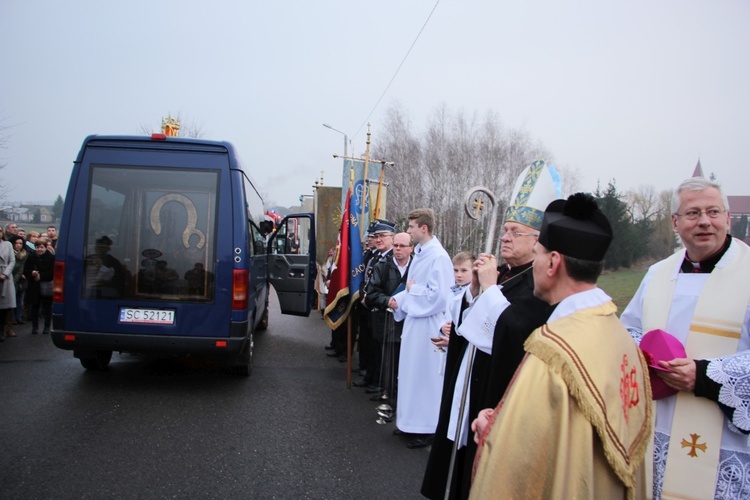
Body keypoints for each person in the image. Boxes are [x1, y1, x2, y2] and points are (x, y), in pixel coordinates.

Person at [470, 193, 652, 499]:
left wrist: (495, 432)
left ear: (553, 262)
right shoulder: (619, 334)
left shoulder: (553, 350)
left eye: (539, 253)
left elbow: (518, 458)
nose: (535, 264)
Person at [422, 159, 558, 500]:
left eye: (515, 232)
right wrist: (475, 291)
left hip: (495, 387)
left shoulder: (537, 283)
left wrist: (490, 288)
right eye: (505, 230)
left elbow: (516, 333)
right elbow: (470, 319)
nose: (506, 237)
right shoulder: (505, 272)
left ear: (538, 241)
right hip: (469, 377)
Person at [620, 177, 750, 499]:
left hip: (726, 441)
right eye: (692, 213)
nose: (704, 221)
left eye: (713, 212)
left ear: (728, 218)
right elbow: (628, 331)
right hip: (659, 429)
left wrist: (703, 376)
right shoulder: (657, 274)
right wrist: (647, 356)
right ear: (675, 223)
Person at [389, 208, 454, 449]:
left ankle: (426, 428)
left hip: (429, 325)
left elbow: (440, 296)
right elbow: (410, 288)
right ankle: (408, 423)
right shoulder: (420, 253)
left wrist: (411, 292)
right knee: (410, 375)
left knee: (425, 378)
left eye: (411, 227)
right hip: (415, 323)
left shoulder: (439, 257)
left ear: (423, 228)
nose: (408, 231)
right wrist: (400, 301)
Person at [364, 231, 413, 408]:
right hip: (387, 320)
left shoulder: (418, 266)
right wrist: (388, 301)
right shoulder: (382, 266)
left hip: (411, 321)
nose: (398, 249)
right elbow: (372, 293)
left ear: (411, 248)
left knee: (407, 360)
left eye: (402, 246)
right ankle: (390, 396)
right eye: (396, 246)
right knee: (390, 361)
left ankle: (404, 396)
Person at [356, 220, 395, 391]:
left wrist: (371, 298)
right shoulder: (375, 256)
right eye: (376, 237)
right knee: (370, 343)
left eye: (383, 236)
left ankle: (379, 382)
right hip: (369, 305)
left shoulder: (392, 258)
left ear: (392, 238)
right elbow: (365, 279)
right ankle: (370, 376)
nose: (378, 240)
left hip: (382, 308)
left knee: (380, 348)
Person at [24, 239, 54, 335]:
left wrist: (40, 276)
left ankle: (46, 327)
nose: (39, 249)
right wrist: (32, 273)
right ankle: (35, 327)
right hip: (34, 285)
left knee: (47, 307)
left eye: (42, 247)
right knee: (35, 306)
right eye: (37, 247)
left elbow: (52, 272)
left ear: (45, 247)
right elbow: (26, 269)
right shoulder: (31, 257)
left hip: (46, 284)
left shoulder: (51, 257)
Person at [0, 227, 17, 341]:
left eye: (0, 231)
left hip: (5, 278)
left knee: (4, 309)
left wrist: (5, 274)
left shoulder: (8, 245)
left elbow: (12, 260)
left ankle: (3, 330)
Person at [12, 237, 28, 325]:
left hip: (21, 279)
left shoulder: (25, 254)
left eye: (21, 243)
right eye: (17, 243)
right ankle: (12, 318)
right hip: (11, 278)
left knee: (20, 300)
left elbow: (23, 268)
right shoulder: (10, 254)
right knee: (12, 300)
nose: (18, 245)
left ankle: (19, 316)